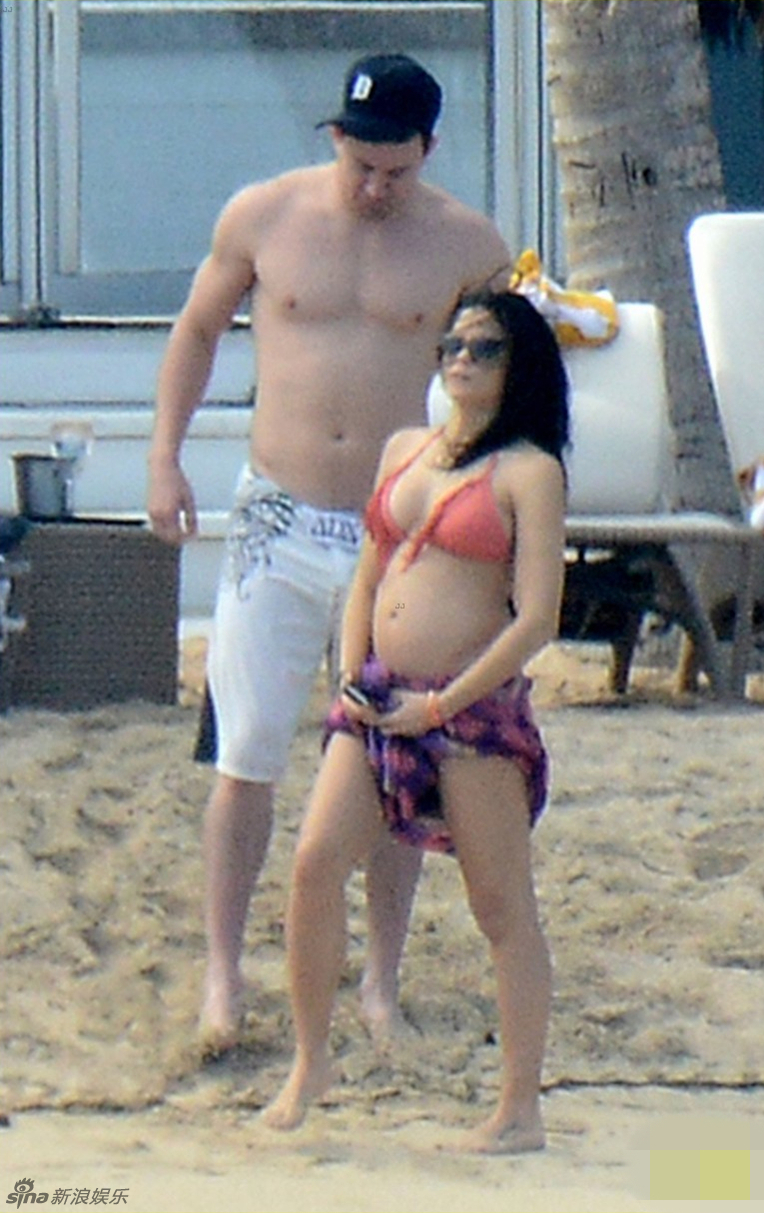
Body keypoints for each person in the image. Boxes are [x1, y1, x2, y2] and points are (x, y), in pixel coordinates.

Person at [146, 53, 511, 1052]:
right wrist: (165, 458)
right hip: (279, 511)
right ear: (335, 140)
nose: (374, 187)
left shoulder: (468, 245)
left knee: (393, 756)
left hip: (398, 528)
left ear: (427, 151)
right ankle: (224, 977)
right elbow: (197, 330)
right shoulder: (266, 214)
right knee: (246, 753)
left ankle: (380, 981)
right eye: (360, 165)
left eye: (396, 170)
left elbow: (509, 386)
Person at [263, 289, 570, 1152]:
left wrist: (438, 703)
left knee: (500, 905)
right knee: (314, 862)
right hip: (378, 696)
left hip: (468, 709)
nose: (461, 359)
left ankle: (518, 1107)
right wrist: (350, 673)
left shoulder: (529, 472)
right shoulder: (406, 448)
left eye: (485, 347)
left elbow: (536, 619)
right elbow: (369, 573)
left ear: (518, 367)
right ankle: (310, 1061)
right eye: (453, 344)